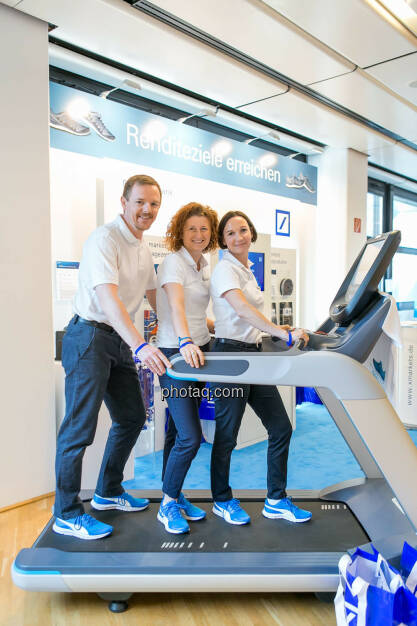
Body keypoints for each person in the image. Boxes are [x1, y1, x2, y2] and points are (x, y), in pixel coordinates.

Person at [53, 174, 170, 540]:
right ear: (124, 202)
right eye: (140, 202)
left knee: (132, 417)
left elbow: (154, 298)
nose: (147, 210)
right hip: (89, 335)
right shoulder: (105, 239)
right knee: (79, 429)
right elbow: (108, 300)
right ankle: (67, 513)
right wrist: (141, 345)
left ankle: (107, 491)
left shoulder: (143, 247)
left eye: (153, 204)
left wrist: (189, 330)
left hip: (117, 339)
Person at [209, 210, 312, 525]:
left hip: (252, 356)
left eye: (242, 230)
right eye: (230, 233)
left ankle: (276, 499)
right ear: (222, 240)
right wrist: (282, 333)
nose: (238, 237)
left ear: (251, 233)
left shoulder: (248, 270)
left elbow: (252, 319)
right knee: (227, 435)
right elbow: (240, 309)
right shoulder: (226, 269)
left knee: (281, 427)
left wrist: (278, 329)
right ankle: (222, 500)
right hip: (231, 358)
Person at [156, 202, 218, 534]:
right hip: (176, 354)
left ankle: (174, 493)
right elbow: (177, 306)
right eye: (192, 228)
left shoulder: (204, 264)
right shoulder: (173, 263)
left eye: (204, 228)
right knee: (191, 436)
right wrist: (184, 341)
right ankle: (167, 505)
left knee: (176, 431)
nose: (198, 234)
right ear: (180, 231)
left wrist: (217, 327)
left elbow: (197, 311)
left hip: (199, 349)